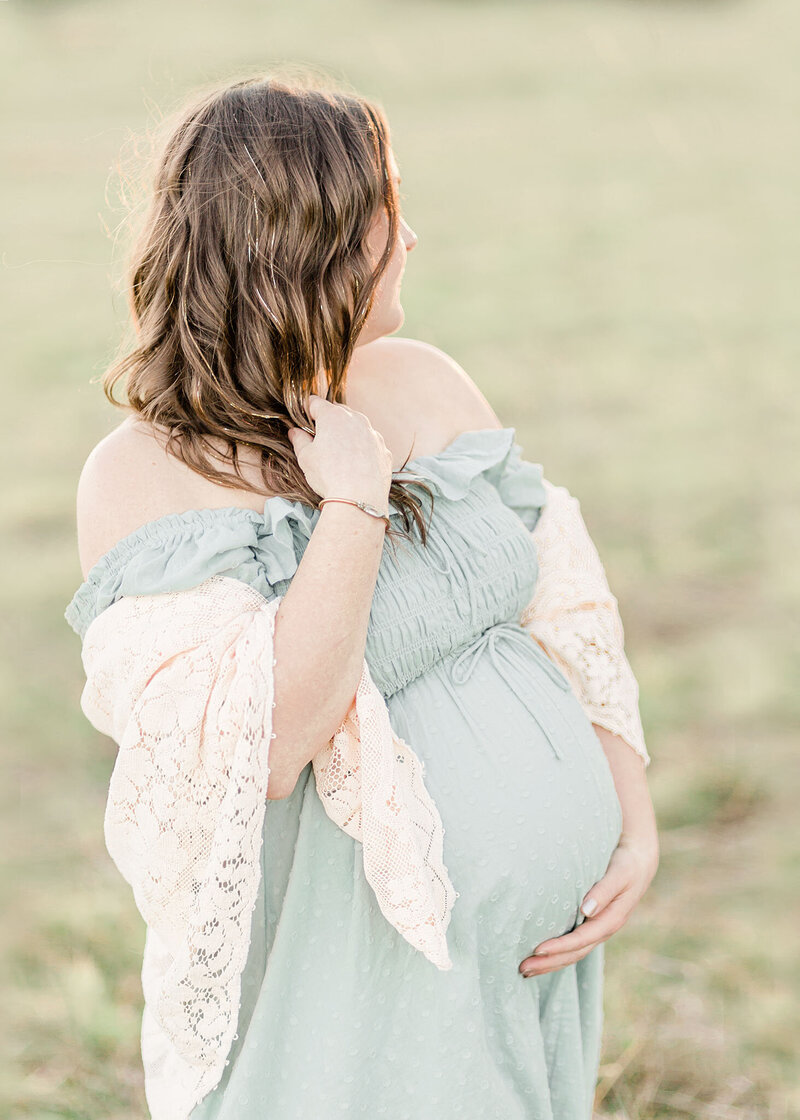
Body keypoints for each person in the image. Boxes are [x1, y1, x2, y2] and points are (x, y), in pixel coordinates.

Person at [64, 73, 659, 1120]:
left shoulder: (421, 375)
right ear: (309, 241)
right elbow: (275, 741)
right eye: (389, 210)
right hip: (352, 975)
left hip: (523, 956)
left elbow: (564, 597)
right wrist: (351, 506)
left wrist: (630, 817)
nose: (413, 237)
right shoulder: (139, 474)